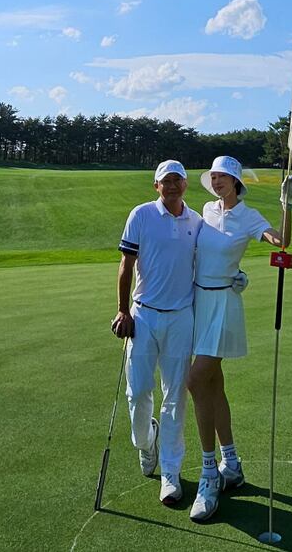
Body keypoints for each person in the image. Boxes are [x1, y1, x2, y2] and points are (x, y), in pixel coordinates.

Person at [187, 155, 292, 522]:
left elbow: (280, 242)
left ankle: (209, 473)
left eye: (224, 177)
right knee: (213, 385)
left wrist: (286, 205)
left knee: (195, 380)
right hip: (199, 302)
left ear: (236, 182)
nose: (217, 181)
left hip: (224, 305)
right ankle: (231, 463)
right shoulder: (205, 210)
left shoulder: (249, 216)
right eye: (214, 176)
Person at [111, 160, 202, 506]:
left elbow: (208, 262)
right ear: (156, 186)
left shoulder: (196, 221)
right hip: (144, 315)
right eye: (166, 181)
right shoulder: (141, 215)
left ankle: (170, 472)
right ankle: (146, 441)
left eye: (178, 179)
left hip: (181, 318)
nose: (173, 185)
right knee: (137, 393)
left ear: (186, 184)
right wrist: (122, 310)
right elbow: (126, 265)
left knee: (175, 395)